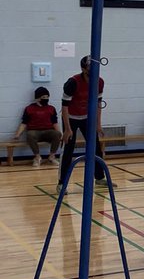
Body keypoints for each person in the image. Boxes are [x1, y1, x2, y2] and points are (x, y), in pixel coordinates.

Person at [58, 55, 106, 191]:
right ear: (83, 69)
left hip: (87, 117)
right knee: (68, 150)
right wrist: (67, 129)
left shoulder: (99, 82)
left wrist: (98, 124)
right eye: (90, 68)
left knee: (96, 147)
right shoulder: (72, 83)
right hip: (71, 117)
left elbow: (98, 104)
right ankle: (62, 183)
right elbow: (64, 107)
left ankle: (99, 177)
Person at [15, 87, 61, 168]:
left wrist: (60, 134)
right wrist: (18, 134)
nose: (46, 99)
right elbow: (24, 123)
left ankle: (52, 157)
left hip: (48, 131)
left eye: (47, 97)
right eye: (43, 97)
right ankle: (37, 157)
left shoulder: (51, 108)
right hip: (35, 131)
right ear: (37, 98)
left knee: (57, 134)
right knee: (30, 134)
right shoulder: (29, 108)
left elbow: (55, 122)